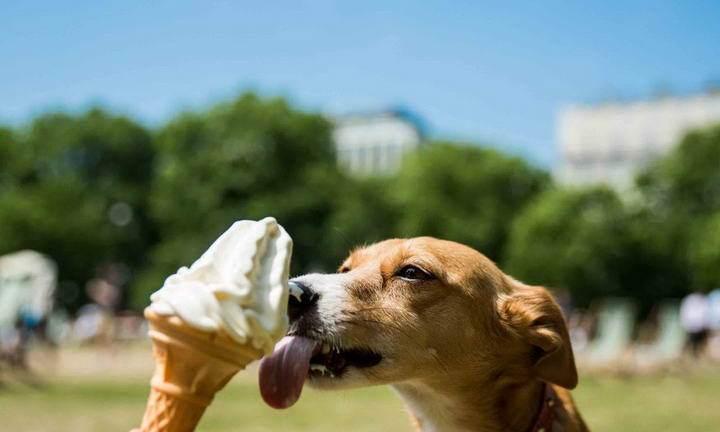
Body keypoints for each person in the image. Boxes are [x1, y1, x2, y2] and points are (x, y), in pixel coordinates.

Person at [680, 292, 710, 358]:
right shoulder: (692, 300)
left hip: (697, 325)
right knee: (692, 341)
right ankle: (686, 353)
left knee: (696, 342)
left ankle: (692, 353)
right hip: (693, 325)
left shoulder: (694, 301)